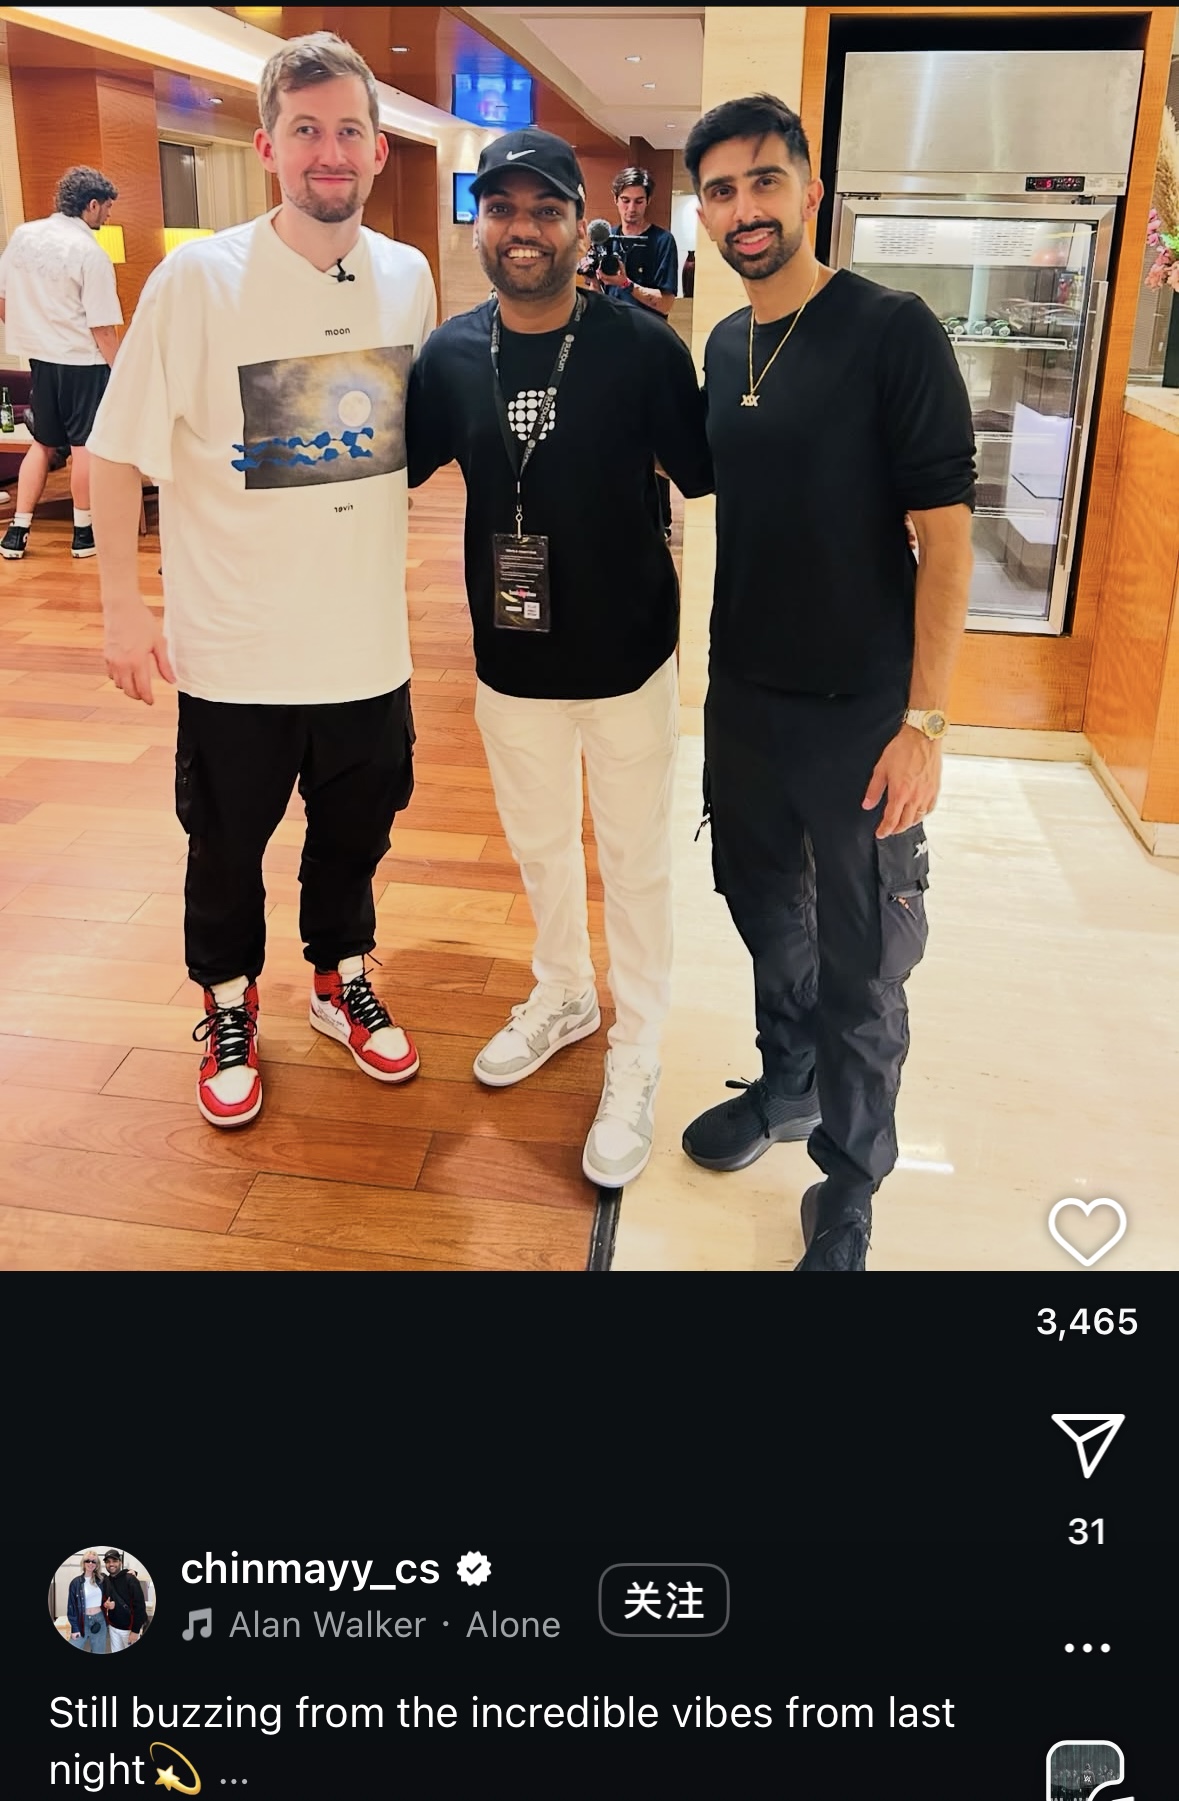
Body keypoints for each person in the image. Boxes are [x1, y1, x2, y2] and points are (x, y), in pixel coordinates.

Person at [90, 31, 435, 1128]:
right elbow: (113, 451)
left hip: (366, 643)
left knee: (356, 835)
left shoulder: (408, 278)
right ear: (268, 147)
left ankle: (338, 974)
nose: (329, 151)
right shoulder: (197, 280)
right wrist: (121, 608)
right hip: (235, 648)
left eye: (348, 130)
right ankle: (229, 998)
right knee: (226, 844)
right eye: (305, 130)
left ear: (377, 150)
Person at [679, 94, 975, 1270]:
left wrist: (926, 723)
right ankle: (789, 1081)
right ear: (703, 213)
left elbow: (947, 542)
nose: (744, 208)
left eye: (764, 181)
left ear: (810, 189)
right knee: (763, 909)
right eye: (721, 191)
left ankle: (849, 1182)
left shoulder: (892, 330)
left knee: (864, 958)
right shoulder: (723, 346)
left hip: (861, 710)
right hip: (745, 699)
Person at [406, 128, 712, 1187]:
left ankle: (640, 1044)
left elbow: (710, 482)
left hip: (628, 660)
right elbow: (377, 470)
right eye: (502, 209)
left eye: (546, 210)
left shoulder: (643, 348)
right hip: (509, 660)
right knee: (539, 845)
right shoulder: (449, 355)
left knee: (634, 862)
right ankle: (566, 993)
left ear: (584, 227)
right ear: (478, 225)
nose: (523, 230)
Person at [0, 166, 121, 562]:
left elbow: (3, 298)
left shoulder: (24, 236)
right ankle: (83, 533)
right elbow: (103, 327)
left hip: (41, 359)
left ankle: (17, 531)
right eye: (107, 208)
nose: (108, 216)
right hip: (82, 362)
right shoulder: (89, 252)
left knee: (42, 443)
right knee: (84, 446)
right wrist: (122, 372)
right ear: (91, 204)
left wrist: (33, 334)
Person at [591, 166, 679, 538]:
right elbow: (598, 297)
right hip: (611, 346)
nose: (632, 209)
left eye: (639, 201)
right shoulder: (605, 240)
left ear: (648, 201)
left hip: (650, 347)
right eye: (625, 201)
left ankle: (660, 520)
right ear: (615, 200)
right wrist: (595, 280)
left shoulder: (663, 241)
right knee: (613, 431)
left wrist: (626, 283)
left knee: (653, 434)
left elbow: (666, 303)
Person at [100, 1549, 147, 1650]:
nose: (111, 1564)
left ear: (120, 1562)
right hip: (113, 1628)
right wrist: (106, 1604)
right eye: (108, 1562)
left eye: (114, 1561)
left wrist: (135, 1631)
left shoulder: (130, 1579)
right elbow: (104, 1599)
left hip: (129, 1630)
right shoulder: (106, 1580)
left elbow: (140, 1606)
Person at [66, 1552, 108, 1652]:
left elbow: (117, 1579)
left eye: (93, 1561)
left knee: (98, 1651)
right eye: (87, 1561)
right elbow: (71, 1607)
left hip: (99, 1620)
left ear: (97, 1564)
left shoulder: (102, 1579)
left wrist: (132, 1572)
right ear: (83, 1563)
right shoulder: (76, 1583)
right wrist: (75, 1628)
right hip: (82, 1621)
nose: (90, 1563)